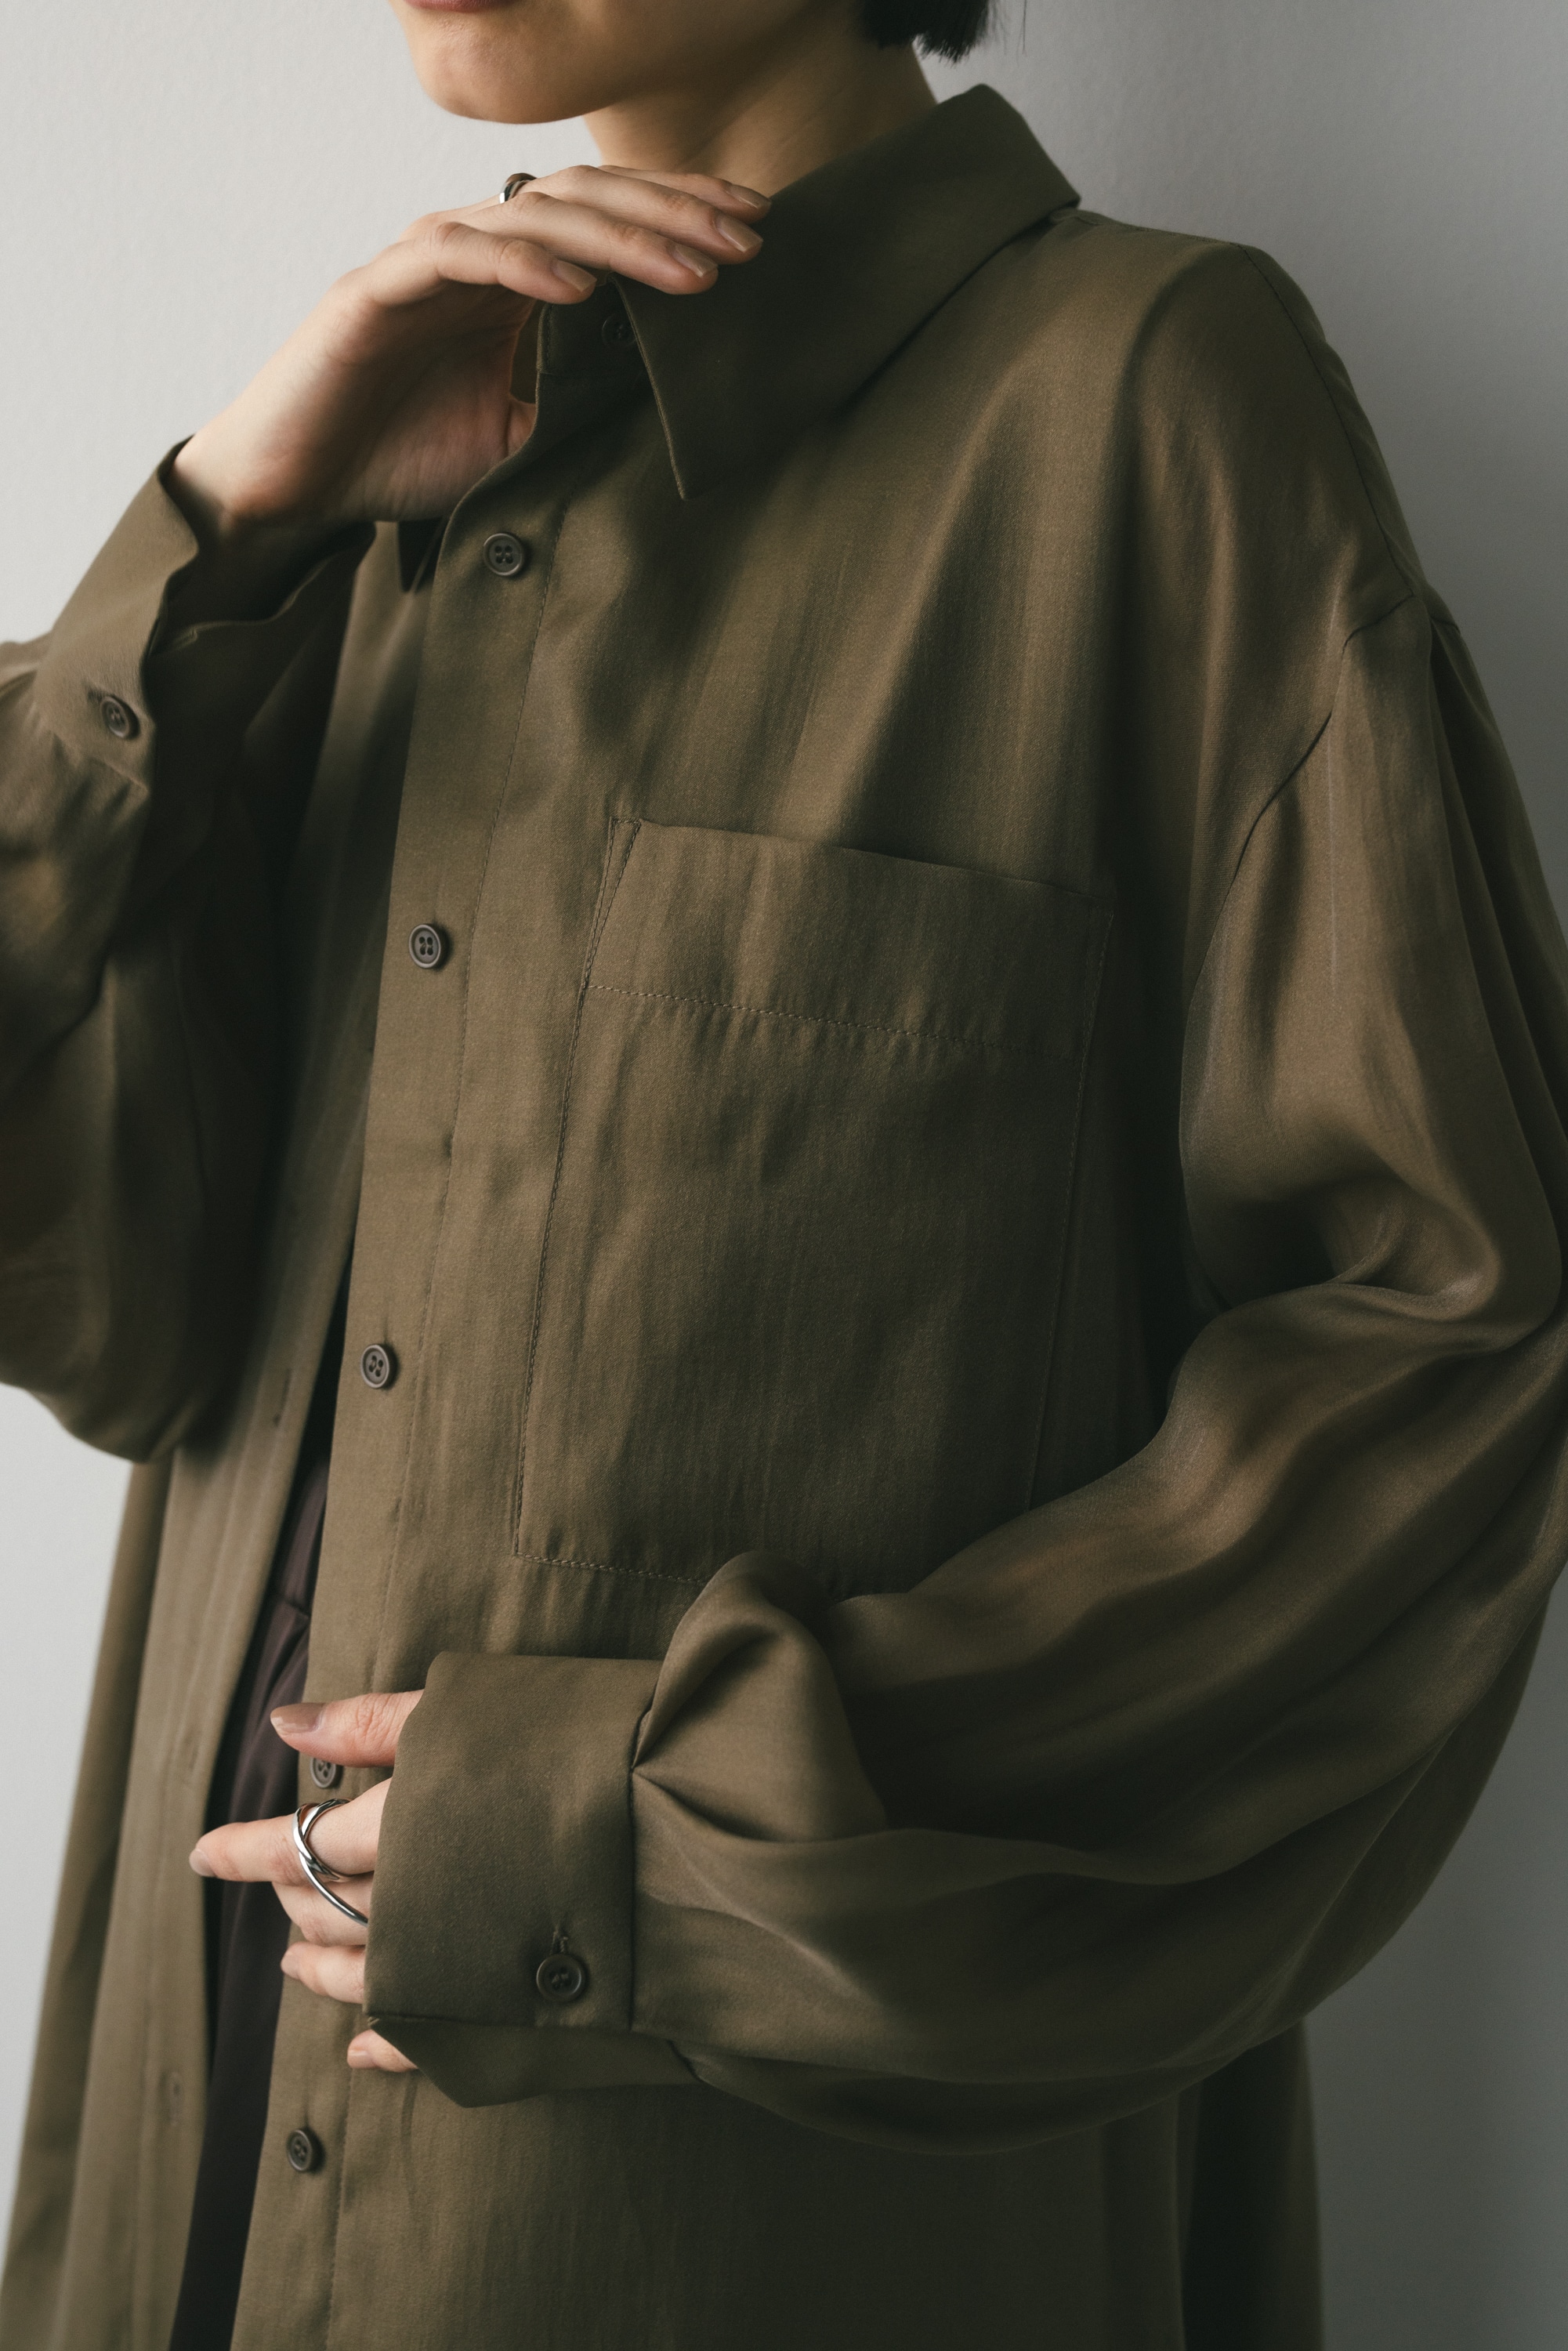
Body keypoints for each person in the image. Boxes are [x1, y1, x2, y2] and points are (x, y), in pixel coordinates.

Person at [2, 0, 1566, 2342]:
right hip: (188, 2165)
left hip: (741, 2221)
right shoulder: (394, 454)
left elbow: (1445, 1371)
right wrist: (210, 543)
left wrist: (644, 1835)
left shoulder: (1148, 410)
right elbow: (112, 1316)